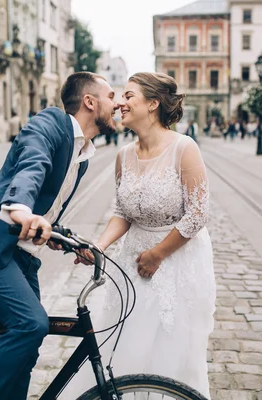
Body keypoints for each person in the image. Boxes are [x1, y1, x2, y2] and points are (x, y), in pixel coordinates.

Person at [0, 72, 119, 400]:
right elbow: (31, 167)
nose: (118, 103)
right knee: (30, 324)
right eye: (111, 96)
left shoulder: (82, 156)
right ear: (90, 101)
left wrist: (60, 236)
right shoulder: (51, 123)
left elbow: (48, 208)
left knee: (28, 349)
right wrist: (21, 211)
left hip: (19, 256)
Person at [62, 72, 215, 399]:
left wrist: (158, 253)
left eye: (129, 96)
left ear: (153, 103)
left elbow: (198, 214)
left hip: (177, 260)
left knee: (168, 348)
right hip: (133, 260)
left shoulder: (184, 148)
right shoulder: (123, 155)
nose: (120, 103)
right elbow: (123, 213)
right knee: (127, 340)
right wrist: (99, 246)